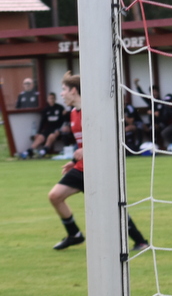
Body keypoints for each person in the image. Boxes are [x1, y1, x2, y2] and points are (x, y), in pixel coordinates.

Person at [48, 72, 149, 251]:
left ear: (73, 90)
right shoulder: (73, 113)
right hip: (82, 168)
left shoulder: (93, 111)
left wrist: (86, 150)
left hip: (99, 169)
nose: (61, 94)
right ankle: (74, 235)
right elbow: (83, 143)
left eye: (64, 89)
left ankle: (140, 242)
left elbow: (106, 139)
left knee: (112, 207)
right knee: (55, 196)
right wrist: (73, 160)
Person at [22, 92, 66, 157]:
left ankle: (45, 150)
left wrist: (60, 129)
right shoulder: (46, 109)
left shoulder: (60, 108)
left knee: (51, 136)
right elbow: (42, 122)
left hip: (57, 129)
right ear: (47, 100)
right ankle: (29, 151)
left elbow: (64, 120)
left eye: (52, 98)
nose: (51, 100)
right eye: (50, 98)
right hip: (48, 129)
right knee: (40, 137)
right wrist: (38, 132)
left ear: (55, 99)